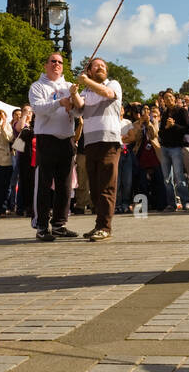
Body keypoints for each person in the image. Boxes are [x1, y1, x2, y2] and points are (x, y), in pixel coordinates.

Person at [28, 53, 82, 241]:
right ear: (46, 65)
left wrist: (73, 99)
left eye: (60, 62)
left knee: (65, 185)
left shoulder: (69, 87)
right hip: (46, 138)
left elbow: (78, 112)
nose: (57, 64)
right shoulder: (37, 86)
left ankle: (59, 223)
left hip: (67, 139)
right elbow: (38, 108)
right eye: (53, 61)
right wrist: (60, 102)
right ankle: (42, 225)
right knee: (43, 183)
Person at [76, 58, 123, 241]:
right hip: (90, 142)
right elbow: (78, 110)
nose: (101, 67)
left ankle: (105, 227)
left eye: (103, 65)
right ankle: (99, 224)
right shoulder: (85, 91)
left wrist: (85, 82)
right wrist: (74, 93)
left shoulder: (113, 84)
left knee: (106, 185)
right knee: (94, 187)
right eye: (96, 66)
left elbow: (107, 93)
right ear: (88, 70)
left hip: (109, 140)